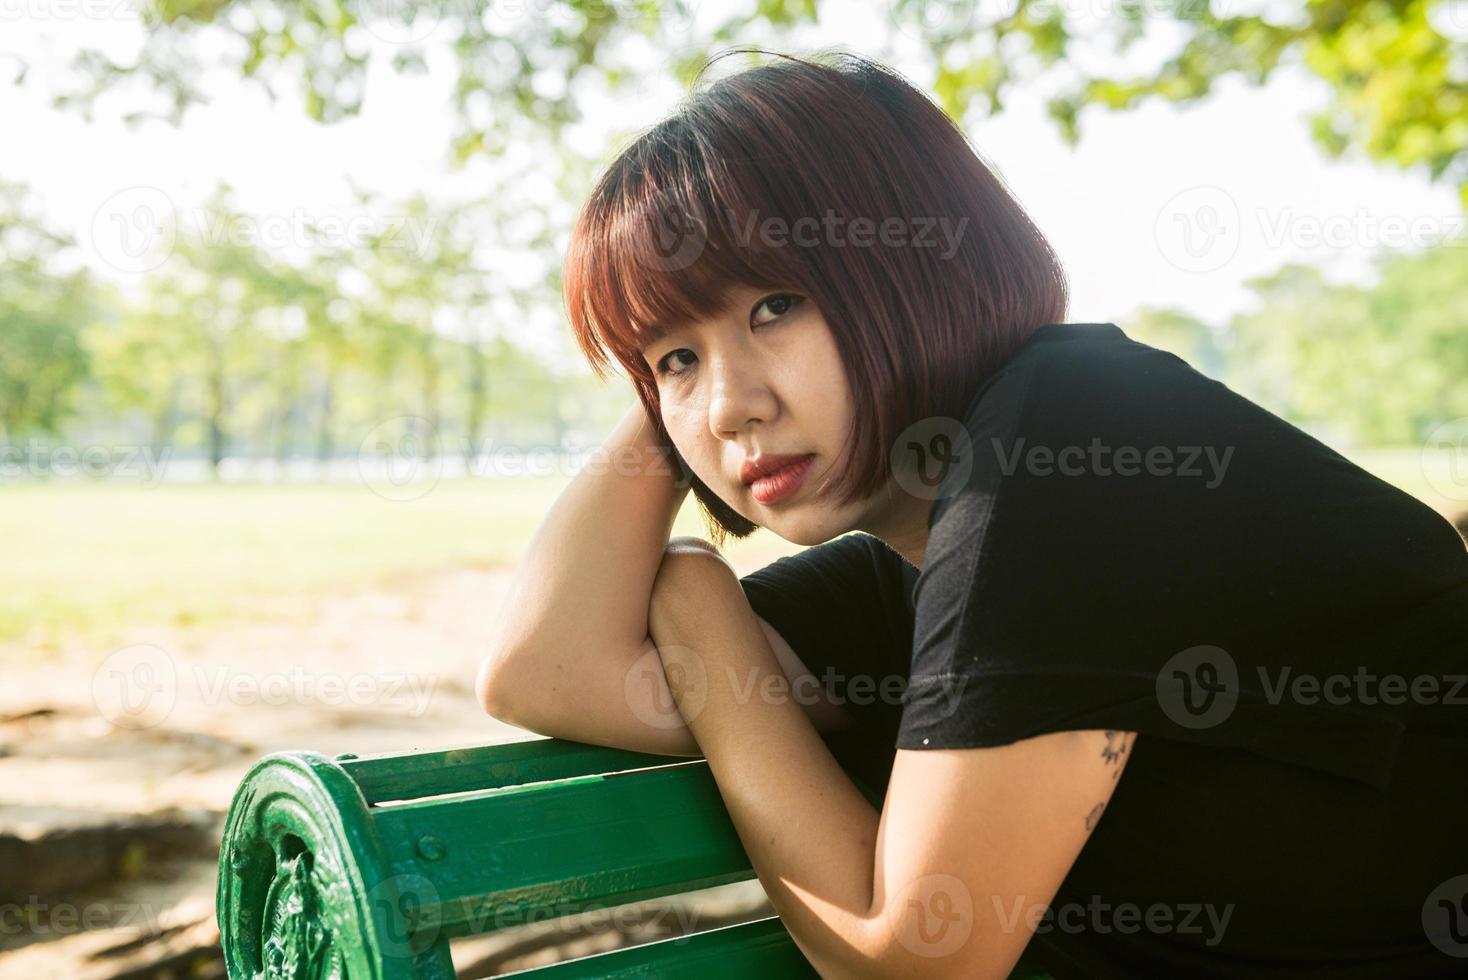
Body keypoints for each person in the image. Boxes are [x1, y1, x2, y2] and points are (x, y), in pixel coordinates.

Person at [477, 48, 1468, 979]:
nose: (730, 404)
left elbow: (915, 957)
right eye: (671, 362)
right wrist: (674, 374)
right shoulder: (911, 561)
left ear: (914, 267)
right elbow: (546, 665)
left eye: (775, 303)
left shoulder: (1069, 438)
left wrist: (693, 592)